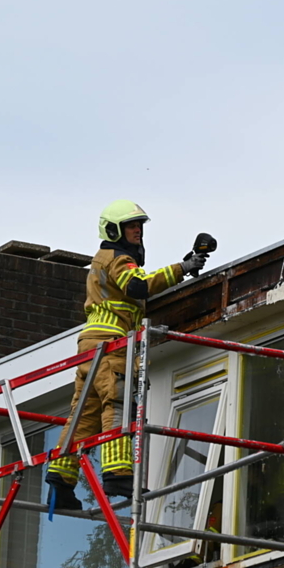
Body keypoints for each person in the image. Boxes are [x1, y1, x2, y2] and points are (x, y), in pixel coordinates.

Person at [45, 200, 207, 509]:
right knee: (118, 403)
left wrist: (179, 269)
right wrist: (181, 269)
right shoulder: (117, 258)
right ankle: (118, 473)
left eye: (141, 226)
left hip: (90, 345)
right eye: (132, 226)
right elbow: (137, 286)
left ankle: (60, 481)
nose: (138, 231)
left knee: (83, 415)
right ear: (114, 230)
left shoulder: (105, 258)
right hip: (111, 344)